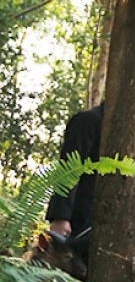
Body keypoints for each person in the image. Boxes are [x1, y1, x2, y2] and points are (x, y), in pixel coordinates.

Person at [46, 102, 104, 272]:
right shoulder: (88, 121)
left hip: (104, 227)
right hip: (76, 225)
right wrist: (60, 218)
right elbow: (68, 169)